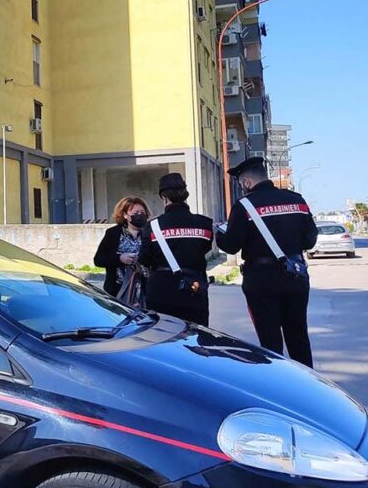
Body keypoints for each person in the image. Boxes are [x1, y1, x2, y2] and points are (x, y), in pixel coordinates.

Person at [215, 157, 319, 368]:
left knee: (269, 340)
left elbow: (231, 245)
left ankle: (277, 387)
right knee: (298, 334)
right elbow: (310, 239)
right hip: (295, 276)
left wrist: (220, 233)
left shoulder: (244, 206)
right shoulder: (296, 200)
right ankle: (308, 387)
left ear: (245, 182)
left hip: (261, 280)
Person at [138, 173, 213, 325]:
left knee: (163, 339)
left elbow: (144, 258)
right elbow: (205, 248)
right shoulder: (204, 223)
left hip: (161, 291)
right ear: (185, 196)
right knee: (195, 339)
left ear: (164, 198)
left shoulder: (153, 227)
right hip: (194, 290)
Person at [94, 196, 150, 299]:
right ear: (125, 215)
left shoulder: (151, 232)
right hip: (119, 290)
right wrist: (120, 258)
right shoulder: (113, 233)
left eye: (142, 212)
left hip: (146, 289)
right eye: (135, 213)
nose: (140, 215)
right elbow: (99, 260)